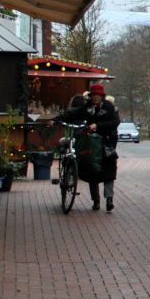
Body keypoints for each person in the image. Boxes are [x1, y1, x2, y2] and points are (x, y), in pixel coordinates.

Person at [58, 83, 121, 211]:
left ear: (102, 96)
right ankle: (96, 201)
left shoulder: (109, 107)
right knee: (92, 171)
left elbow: (115, 123)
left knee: (108, 171)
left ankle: (109, 199)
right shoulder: (87, 108)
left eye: (98, 95)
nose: (96, 97)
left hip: (106, 143)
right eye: (94, 95)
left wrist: (98, 126)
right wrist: (55, 119)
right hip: (91, 143)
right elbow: (72, 115)